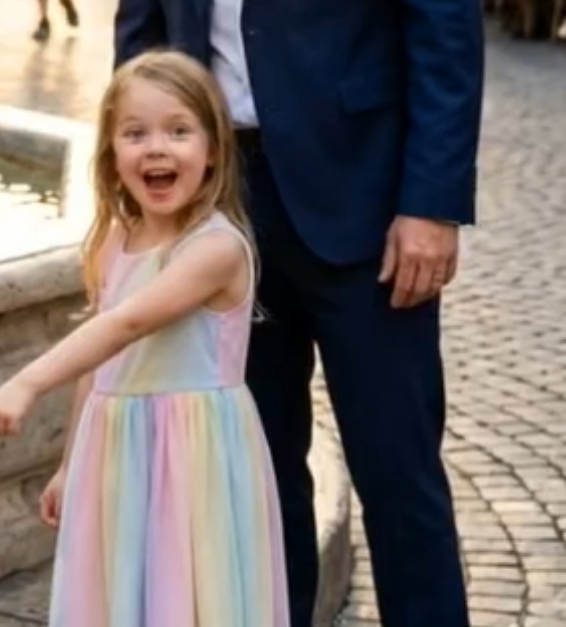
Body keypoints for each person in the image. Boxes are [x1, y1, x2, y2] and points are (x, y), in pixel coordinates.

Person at [113, 1, 484, 626]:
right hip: (219, 204)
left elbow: (445, 30)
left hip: (365, 197)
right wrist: (148, 176)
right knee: (254, 479)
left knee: (399, 474)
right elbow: (142, 30)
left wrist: (431, 202)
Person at [0, 51, 288, 626]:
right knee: (119, 599)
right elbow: (103, 358)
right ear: (111, 153)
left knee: (189, 598)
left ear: (213, 150)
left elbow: (126, 324)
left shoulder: (216, 248)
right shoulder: (115, 239)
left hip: (193, 455)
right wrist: (70, 464)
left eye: (178, 131)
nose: (156, 148)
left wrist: (27, 383)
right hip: (118, 450)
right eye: (135, 133)